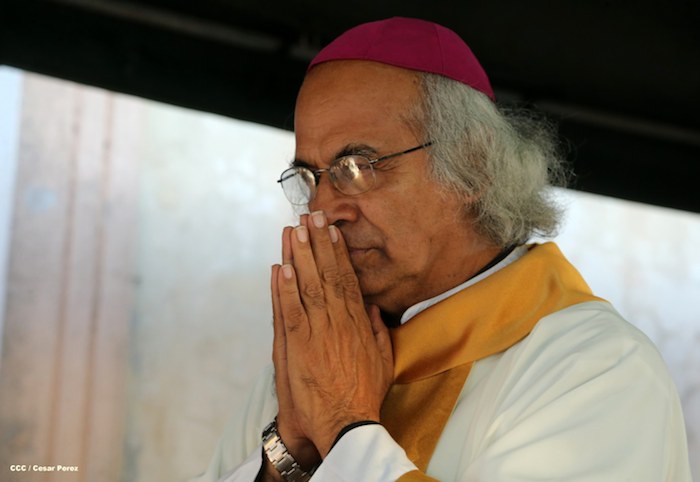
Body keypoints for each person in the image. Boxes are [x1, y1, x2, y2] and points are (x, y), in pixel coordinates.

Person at [192, 17, 692, 482]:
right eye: (308, 177)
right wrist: (290, 452)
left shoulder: (592, 366)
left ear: (472, 164)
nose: (323, 209)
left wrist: (344, 425)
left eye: (357, 166)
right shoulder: (317, 360)